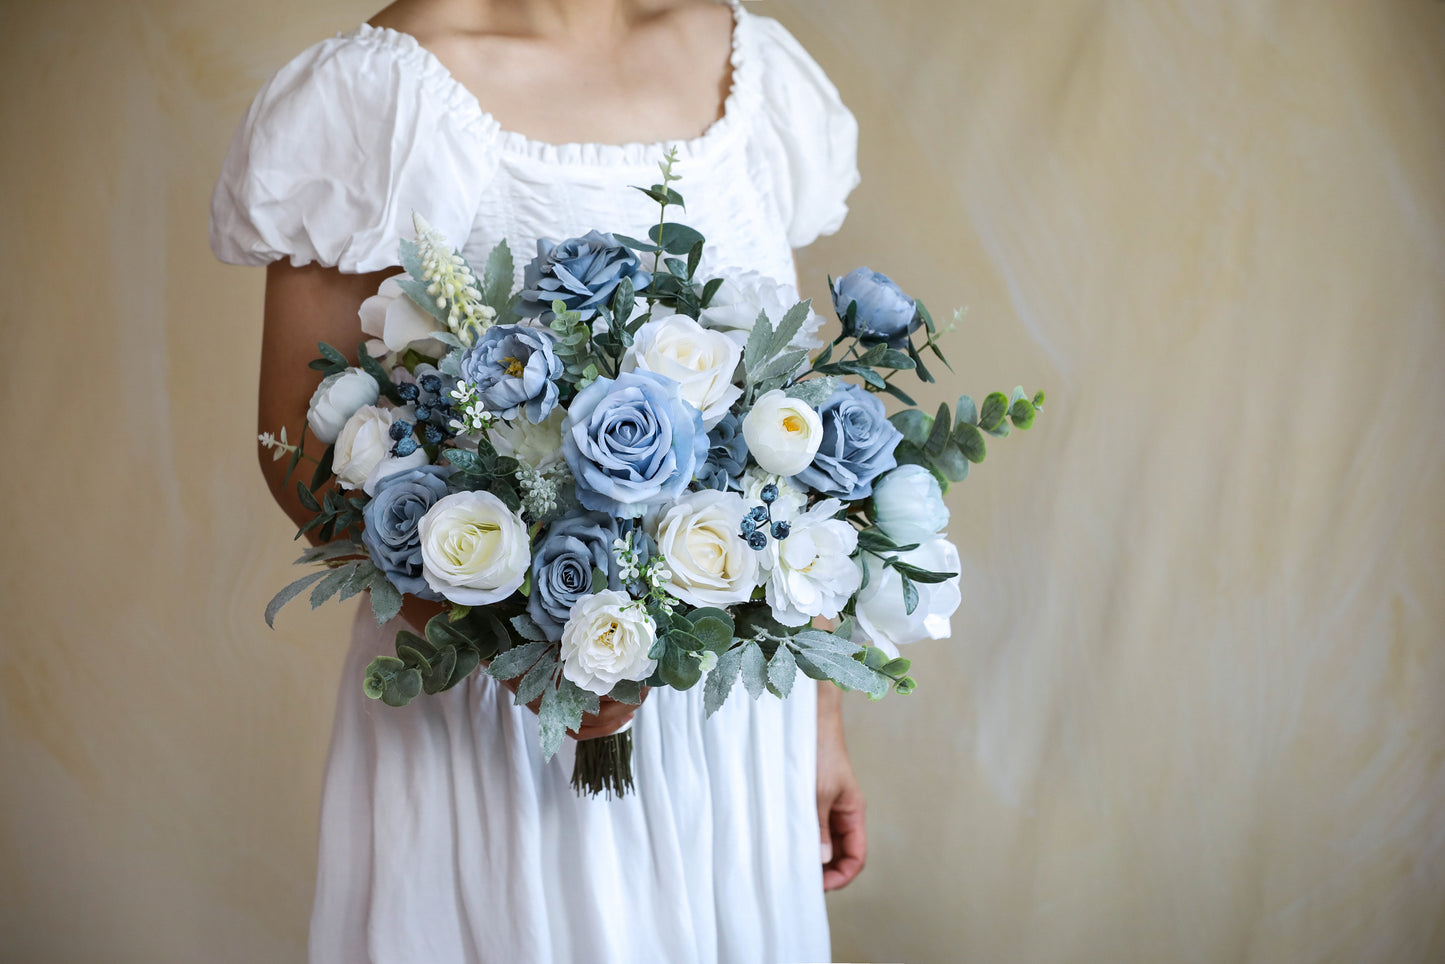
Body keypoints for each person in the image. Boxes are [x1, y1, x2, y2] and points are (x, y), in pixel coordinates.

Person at [211, 1, 864, 960]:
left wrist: (821, 714)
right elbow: (303, 452)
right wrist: (531, 663)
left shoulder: (749, 66)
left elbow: (785, 425)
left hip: (733, 728)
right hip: (495, 724)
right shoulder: (383, 89)